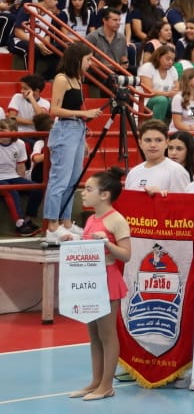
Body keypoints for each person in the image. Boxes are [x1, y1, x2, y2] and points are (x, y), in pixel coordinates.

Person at [59, 168, 131, 401]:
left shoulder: (117, 220)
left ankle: (107, 385)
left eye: (89, 189)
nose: (83, 193)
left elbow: (126, 255)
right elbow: (89, 247)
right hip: (90, 281)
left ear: (105, 194)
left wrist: (108, 245)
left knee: (107, 334)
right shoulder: (91, 219)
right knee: (94, 335)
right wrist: (74, 240)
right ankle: (96, 380)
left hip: (108, 281)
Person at [41, 43, 101, 239]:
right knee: (59, 179)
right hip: (65, 129)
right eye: (88, 59)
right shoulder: (62, 79)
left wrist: (83, 139)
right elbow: (55, 111)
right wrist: (84, 113)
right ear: (77, 59)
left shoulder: (78, 79)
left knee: (73, 180)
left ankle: (66, 222)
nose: (90, 63)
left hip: (77, 129)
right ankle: (52, 225)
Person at [125, 120, 191, 194]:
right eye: (148, 140)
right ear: (140, 143)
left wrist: (160, 198)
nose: (153, 145)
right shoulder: (133, 172)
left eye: (158, 140)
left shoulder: (177, 171)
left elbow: (183, 203)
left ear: (166, 143)